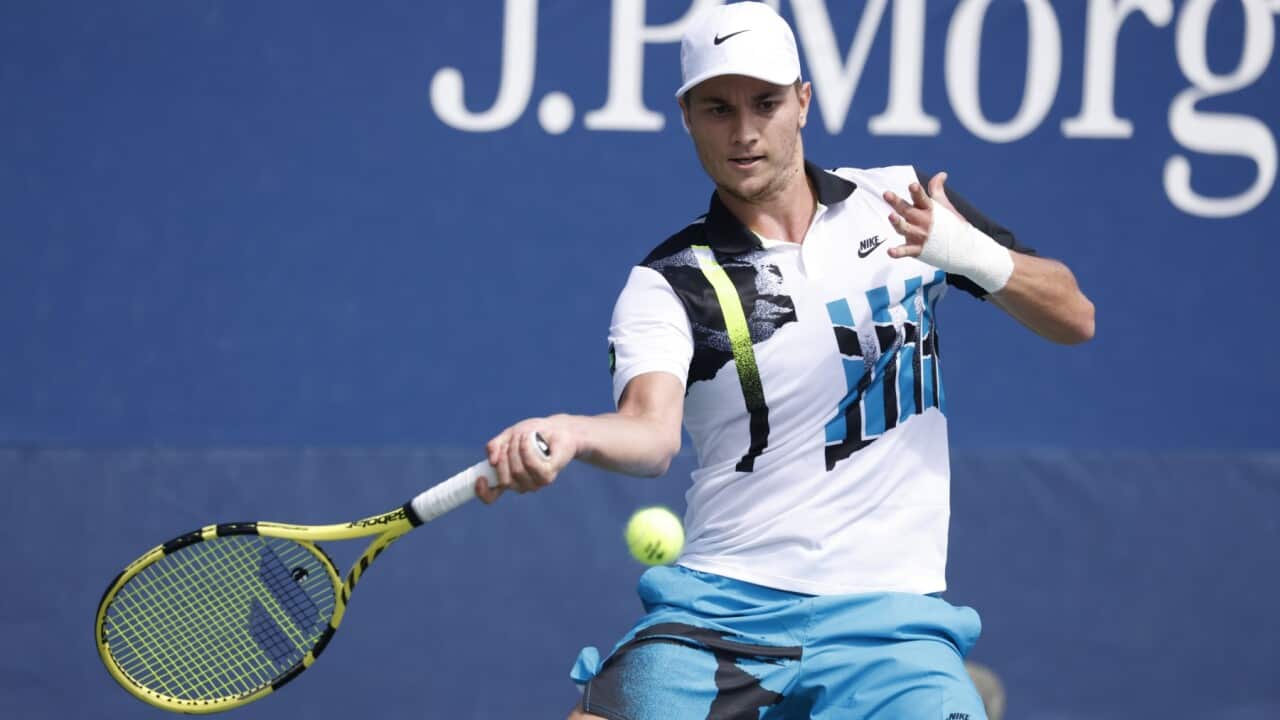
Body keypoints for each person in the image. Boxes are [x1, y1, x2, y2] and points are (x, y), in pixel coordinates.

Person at [478, 3, 1094, 718]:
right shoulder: (670, 281)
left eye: (765, 103)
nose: (744, 132)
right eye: (718, 109)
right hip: (720, 611)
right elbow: (650, 433)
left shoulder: (898, 203)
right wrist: (574, 432)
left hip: (889, 624)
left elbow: (1075, 316)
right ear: (687, 115)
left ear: (803, 101)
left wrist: (967, 254)